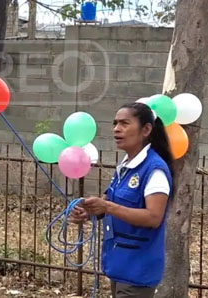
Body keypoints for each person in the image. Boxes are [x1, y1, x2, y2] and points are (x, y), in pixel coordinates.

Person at [71, 102, 174, 298]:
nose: (117, 129)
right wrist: (89, 211)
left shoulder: (154, 169)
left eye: (125, 123)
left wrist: (107, 206)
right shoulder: (126, 164)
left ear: (146, 129)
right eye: (115, 123)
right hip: (119, 264)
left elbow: (153, 217)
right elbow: (110, 198)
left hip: (138, 269)